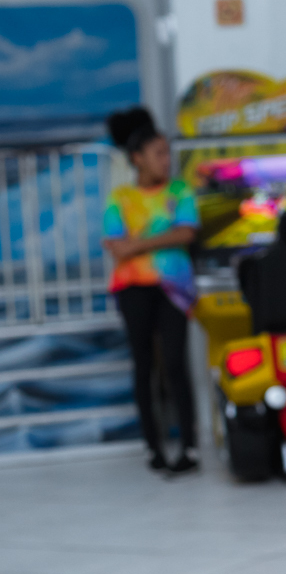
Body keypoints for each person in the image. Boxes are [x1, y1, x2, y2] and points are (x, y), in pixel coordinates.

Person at [103, 108, 200, 474]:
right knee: (144, 365)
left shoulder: (180, 190)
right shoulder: (121, 196)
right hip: (133, 289)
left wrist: (138, 244)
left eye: (167, 152)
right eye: (158, 153)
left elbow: (187, 233)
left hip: (173, 288)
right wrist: (163, 239)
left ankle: (189, 449)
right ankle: (153, 448)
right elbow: (116, 244)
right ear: (137, 158)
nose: (166, 160)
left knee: (175, 364)